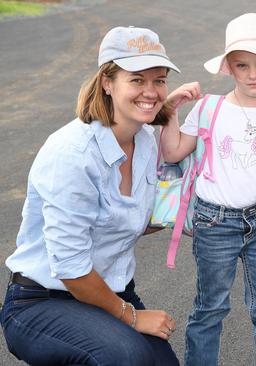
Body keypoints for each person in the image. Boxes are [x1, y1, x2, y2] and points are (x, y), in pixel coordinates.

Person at [0, 26, 195, 365]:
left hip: (107, 292)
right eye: (137, 80)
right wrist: (132, 317)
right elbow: (71, 267)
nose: (151, 91)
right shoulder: (73, 153)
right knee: (124, 358)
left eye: (159, 80)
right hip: (42, 302)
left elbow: (141, 220)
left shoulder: (147, 141)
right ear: (108, 82)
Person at [159, 13, 256, 366]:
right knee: (211, 307)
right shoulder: (209, 108)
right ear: (229, 68)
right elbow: (173, 151)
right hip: (214, 222)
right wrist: (172, 108)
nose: (253, 73)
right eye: (243, 65)